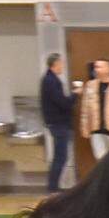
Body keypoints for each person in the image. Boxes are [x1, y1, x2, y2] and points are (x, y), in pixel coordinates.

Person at [40, 53, 80, 193]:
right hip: (59, 124)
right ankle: (52, 188)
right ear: (55, 64)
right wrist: (75, 94)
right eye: (61, 63)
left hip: (56, 124)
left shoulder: (49, 79)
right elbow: (62, 102)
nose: (62, 66)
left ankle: (53, 187)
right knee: (60, 157)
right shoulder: (51, 81)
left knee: (60, 156)